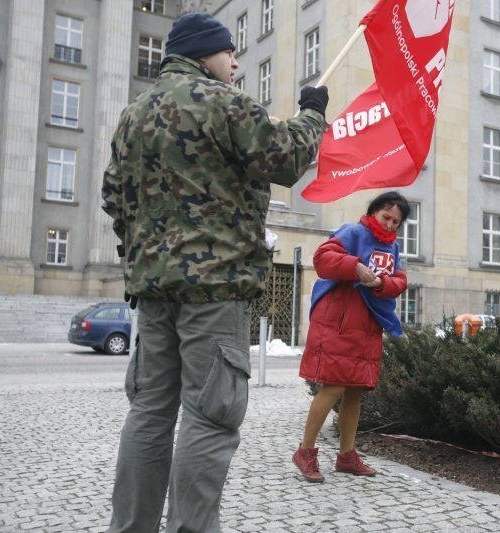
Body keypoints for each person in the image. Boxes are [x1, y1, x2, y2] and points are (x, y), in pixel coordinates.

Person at [101, 12, 329, 532]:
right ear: (206, 53)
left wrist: (143, 257)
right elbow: (284, 157)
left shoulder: (133, 114)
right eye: (230, 53)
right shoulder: (220, 101)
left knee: (150, 413)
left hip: (153, 293)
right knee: (210, 417)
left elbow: (113, 195)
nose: (235, 63)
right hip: (215, 290)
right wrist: (312, 113)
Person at [293, 191, 410, 482]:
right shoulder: (353, 231)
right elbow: (322, 258)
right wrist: (354, 266)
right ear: (374, 212)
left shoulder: (393, 248)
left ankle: (346, 456)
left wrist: (382, 281)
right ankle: (305, 452)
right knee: (333, 387)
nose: (391, 225)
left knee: (356, 391)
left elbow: (400, 280)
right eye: (386, 217)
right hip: (339, 323)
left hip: (368, 327)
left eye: (397, 221)